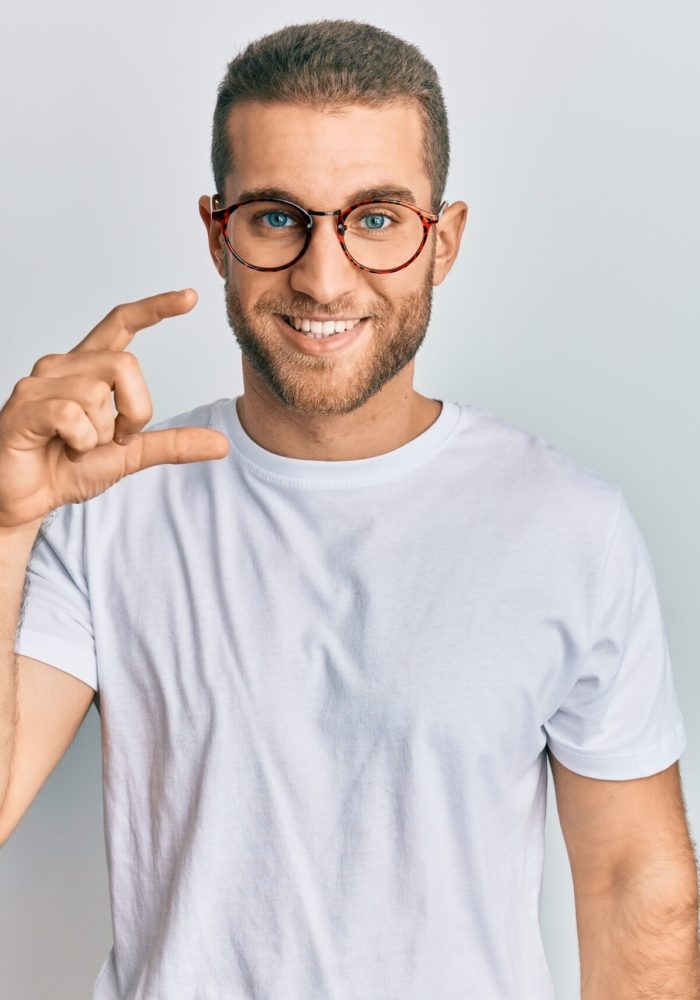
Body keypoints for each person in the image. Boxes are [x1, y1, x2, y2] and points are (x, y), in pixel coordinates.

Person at [0, 18, 697, 1000]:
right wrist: (3, 530)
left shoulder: (566, 526)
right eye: (278, 216)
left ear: (441, 240)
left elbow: (637, 887)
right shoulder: (106, 506)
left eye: (375, 218)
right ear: (217, 233)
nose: (324, 277)